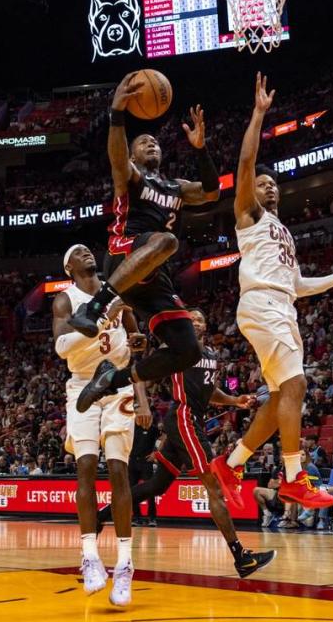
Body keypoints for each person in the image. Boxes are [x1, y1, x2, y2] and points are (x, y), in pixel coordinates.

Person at [211, 73, 333, 510]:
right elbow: (246, 165)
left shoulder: (283, 231)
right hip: (262, 303)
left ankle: (230, 463)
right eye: (263, 183)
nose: (269, 186)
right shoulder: (248, 214)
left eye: (273, 184)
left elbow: (299, 285)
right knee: (298, 384)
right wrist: (258, 115)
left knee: (283, 396)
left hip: (281, 305)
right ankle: (293, 477)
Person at [69, 74, 220, 421]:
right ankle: (95, 307)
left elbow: (211, 193)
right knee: (167, 240)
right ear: (134, 154)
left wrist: (201, 149)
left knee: (188, 350)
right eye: (143, 142)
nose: (151, 144)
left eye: (155, 141)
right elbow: (117, 159)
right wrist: (117, 114)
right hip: (123, 255)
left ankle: (112, 378)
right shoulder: (133, 176)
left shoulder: (176, 187)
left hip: (154, 277)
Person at [96, 309, 276, 578]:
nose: (194, 322)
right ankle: (241, 558)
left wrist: (235, 400)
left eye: (199, 319)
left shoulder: (212, 356)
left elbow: (209, 391)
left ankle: (101, 515)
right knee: (213, 485)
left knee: (159, 485)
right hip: (183, 419)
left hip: (191, 421)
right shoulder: (177, 350)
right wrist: (142, 403)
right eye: (189, 319)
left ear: (205, 326)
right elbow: (142, 373)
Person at [53, 244, 151, 605]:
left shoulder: (117, 292)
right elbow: (62, 347)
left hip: (119, 384)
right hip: (82, 386)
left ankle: (125, 564)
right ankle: (90, 556)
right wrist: (96, 325)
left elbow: (135, 345)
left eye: (87, 250)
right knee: (86, 466)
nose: (85, 253)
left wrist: (141, 393)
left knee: (118, 469)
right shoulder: (65, 300)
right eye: (77, 253)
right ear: (69, 268)